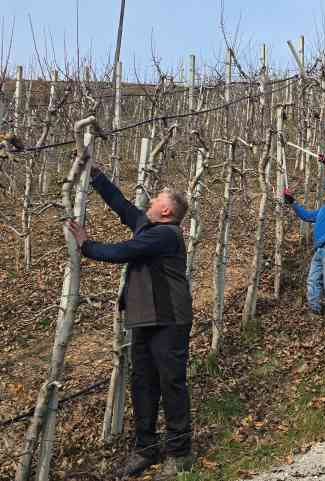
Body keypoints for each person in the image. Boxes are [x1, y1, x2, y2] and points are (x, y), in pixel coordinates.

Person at [66, 167, 194, 481]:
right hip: (144, 318)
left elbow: (124, 251)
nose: (149, 200)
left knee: (171, 383)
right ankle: (145, 448)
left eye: (156, 199)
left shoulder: (166, 234)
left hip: (169, 320)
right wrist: (94, 175)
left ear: (166, 210)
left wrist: (86, 245)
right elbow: (122, 206)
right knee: (143, 384)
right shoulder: (149, 226)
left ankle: (180, 454)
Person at [284, 154, 325, 320]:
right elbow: (306, 216)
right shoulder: (322, 210)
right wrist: (292, 202)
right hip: (320, 249)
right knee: (312, 280)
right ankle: (314, 310)